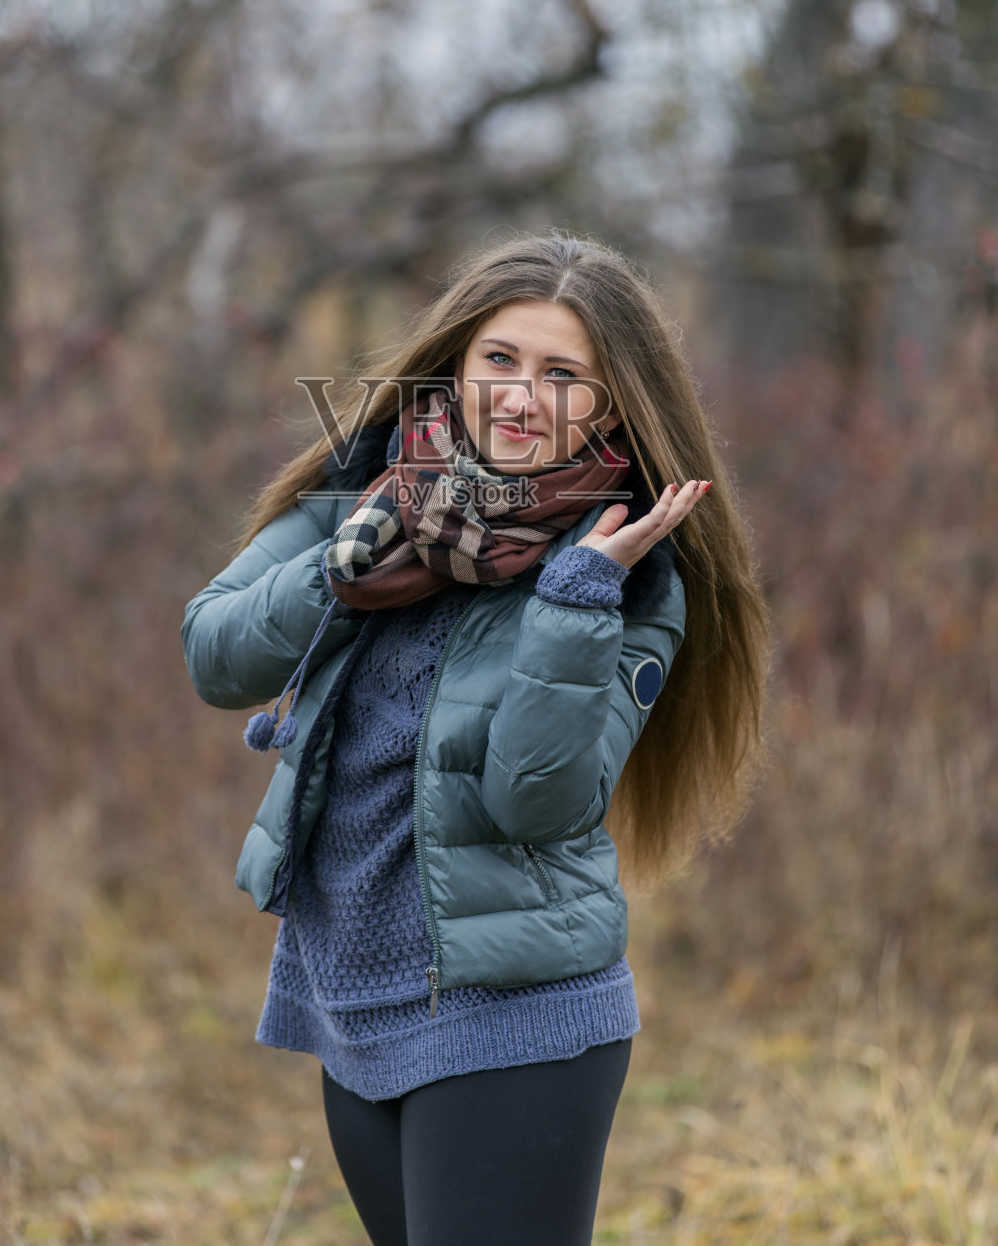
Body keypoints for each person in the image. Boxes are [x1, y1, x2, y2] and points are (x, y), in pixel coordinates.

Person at [181, 230, 770, 1246]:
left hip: (511, 1014)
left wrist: (574, 600)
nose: (519, 397)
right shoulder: (365, 488)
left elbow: (535, 802)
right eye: (499, 358)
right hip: (351, 996)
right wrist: (343, 563)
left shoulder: (624, 572)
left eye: (562, 375)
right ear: (454, 364)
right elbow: (215, 655)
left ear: (611, 407)